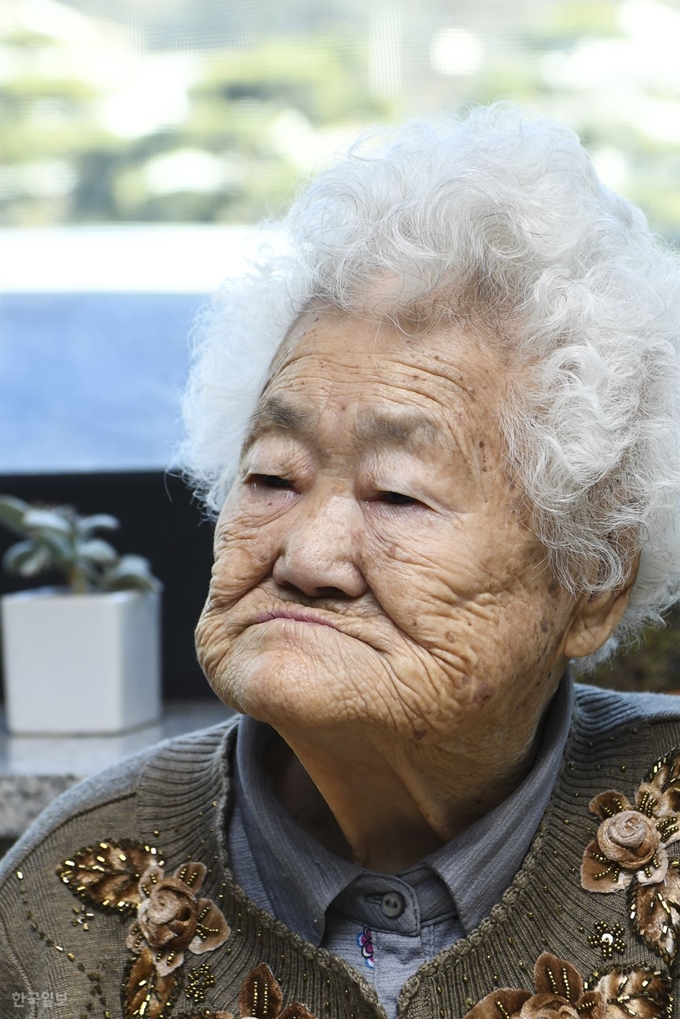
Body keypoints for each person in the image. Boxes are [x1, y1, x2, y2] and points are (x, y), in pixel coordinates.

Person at [2, 104, 680, 1019]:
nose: (308, 553)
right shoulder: (69, 892)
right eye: (273, 476)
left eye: (397, 495)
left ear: (591, 580)